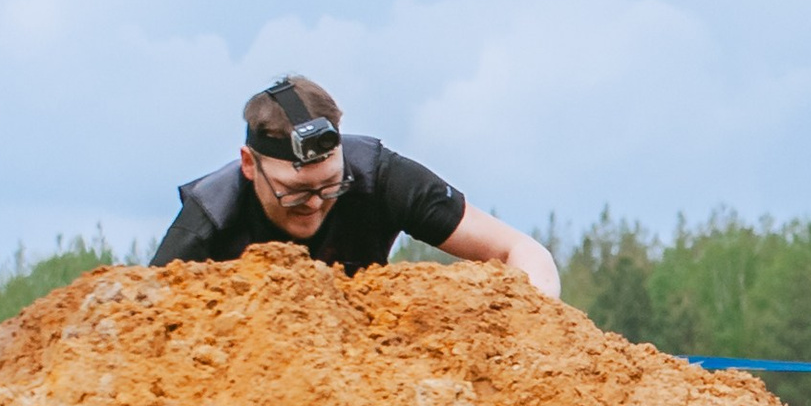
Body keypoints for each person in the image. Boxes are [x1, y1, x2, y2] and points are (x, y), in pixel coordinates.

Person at [150, 76, 560, 296]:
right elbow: (136, 325)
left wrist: (533, 326)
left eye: (330, 186)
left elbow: (522, 251)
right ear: (248, 165)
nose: (314, 204)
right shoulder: (209, 218)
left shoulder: (377, 176)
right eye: (294, 191)